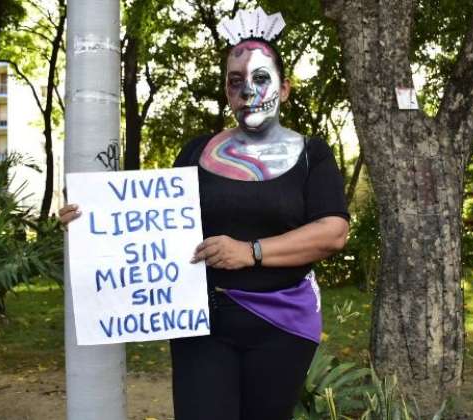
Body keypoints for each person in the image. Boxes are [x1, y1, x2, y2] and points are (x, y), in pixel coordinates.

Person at [60, 8, 349, 420]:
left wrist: (250, 252)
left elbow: (333, 232)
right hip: (199, 321)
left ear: (285, 89)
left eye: (261, 78)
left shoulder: (311, 155)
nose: (247, 91)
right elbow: (152, 219)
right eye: (236, 82)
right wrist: (90, 217)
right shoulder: (197, 151)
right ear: (227, 92)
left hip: (282, 325)